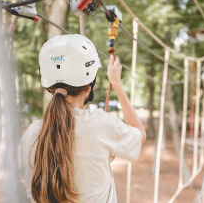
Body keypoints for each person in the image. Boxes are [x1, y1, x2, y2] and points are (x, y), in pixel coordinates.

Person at [21, 34, 146, 203]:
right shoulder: (102, 125)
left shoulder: (30, 134)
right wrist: (116, 82)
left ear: (49, 87)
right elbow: (139, 135)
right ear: (89, 88)